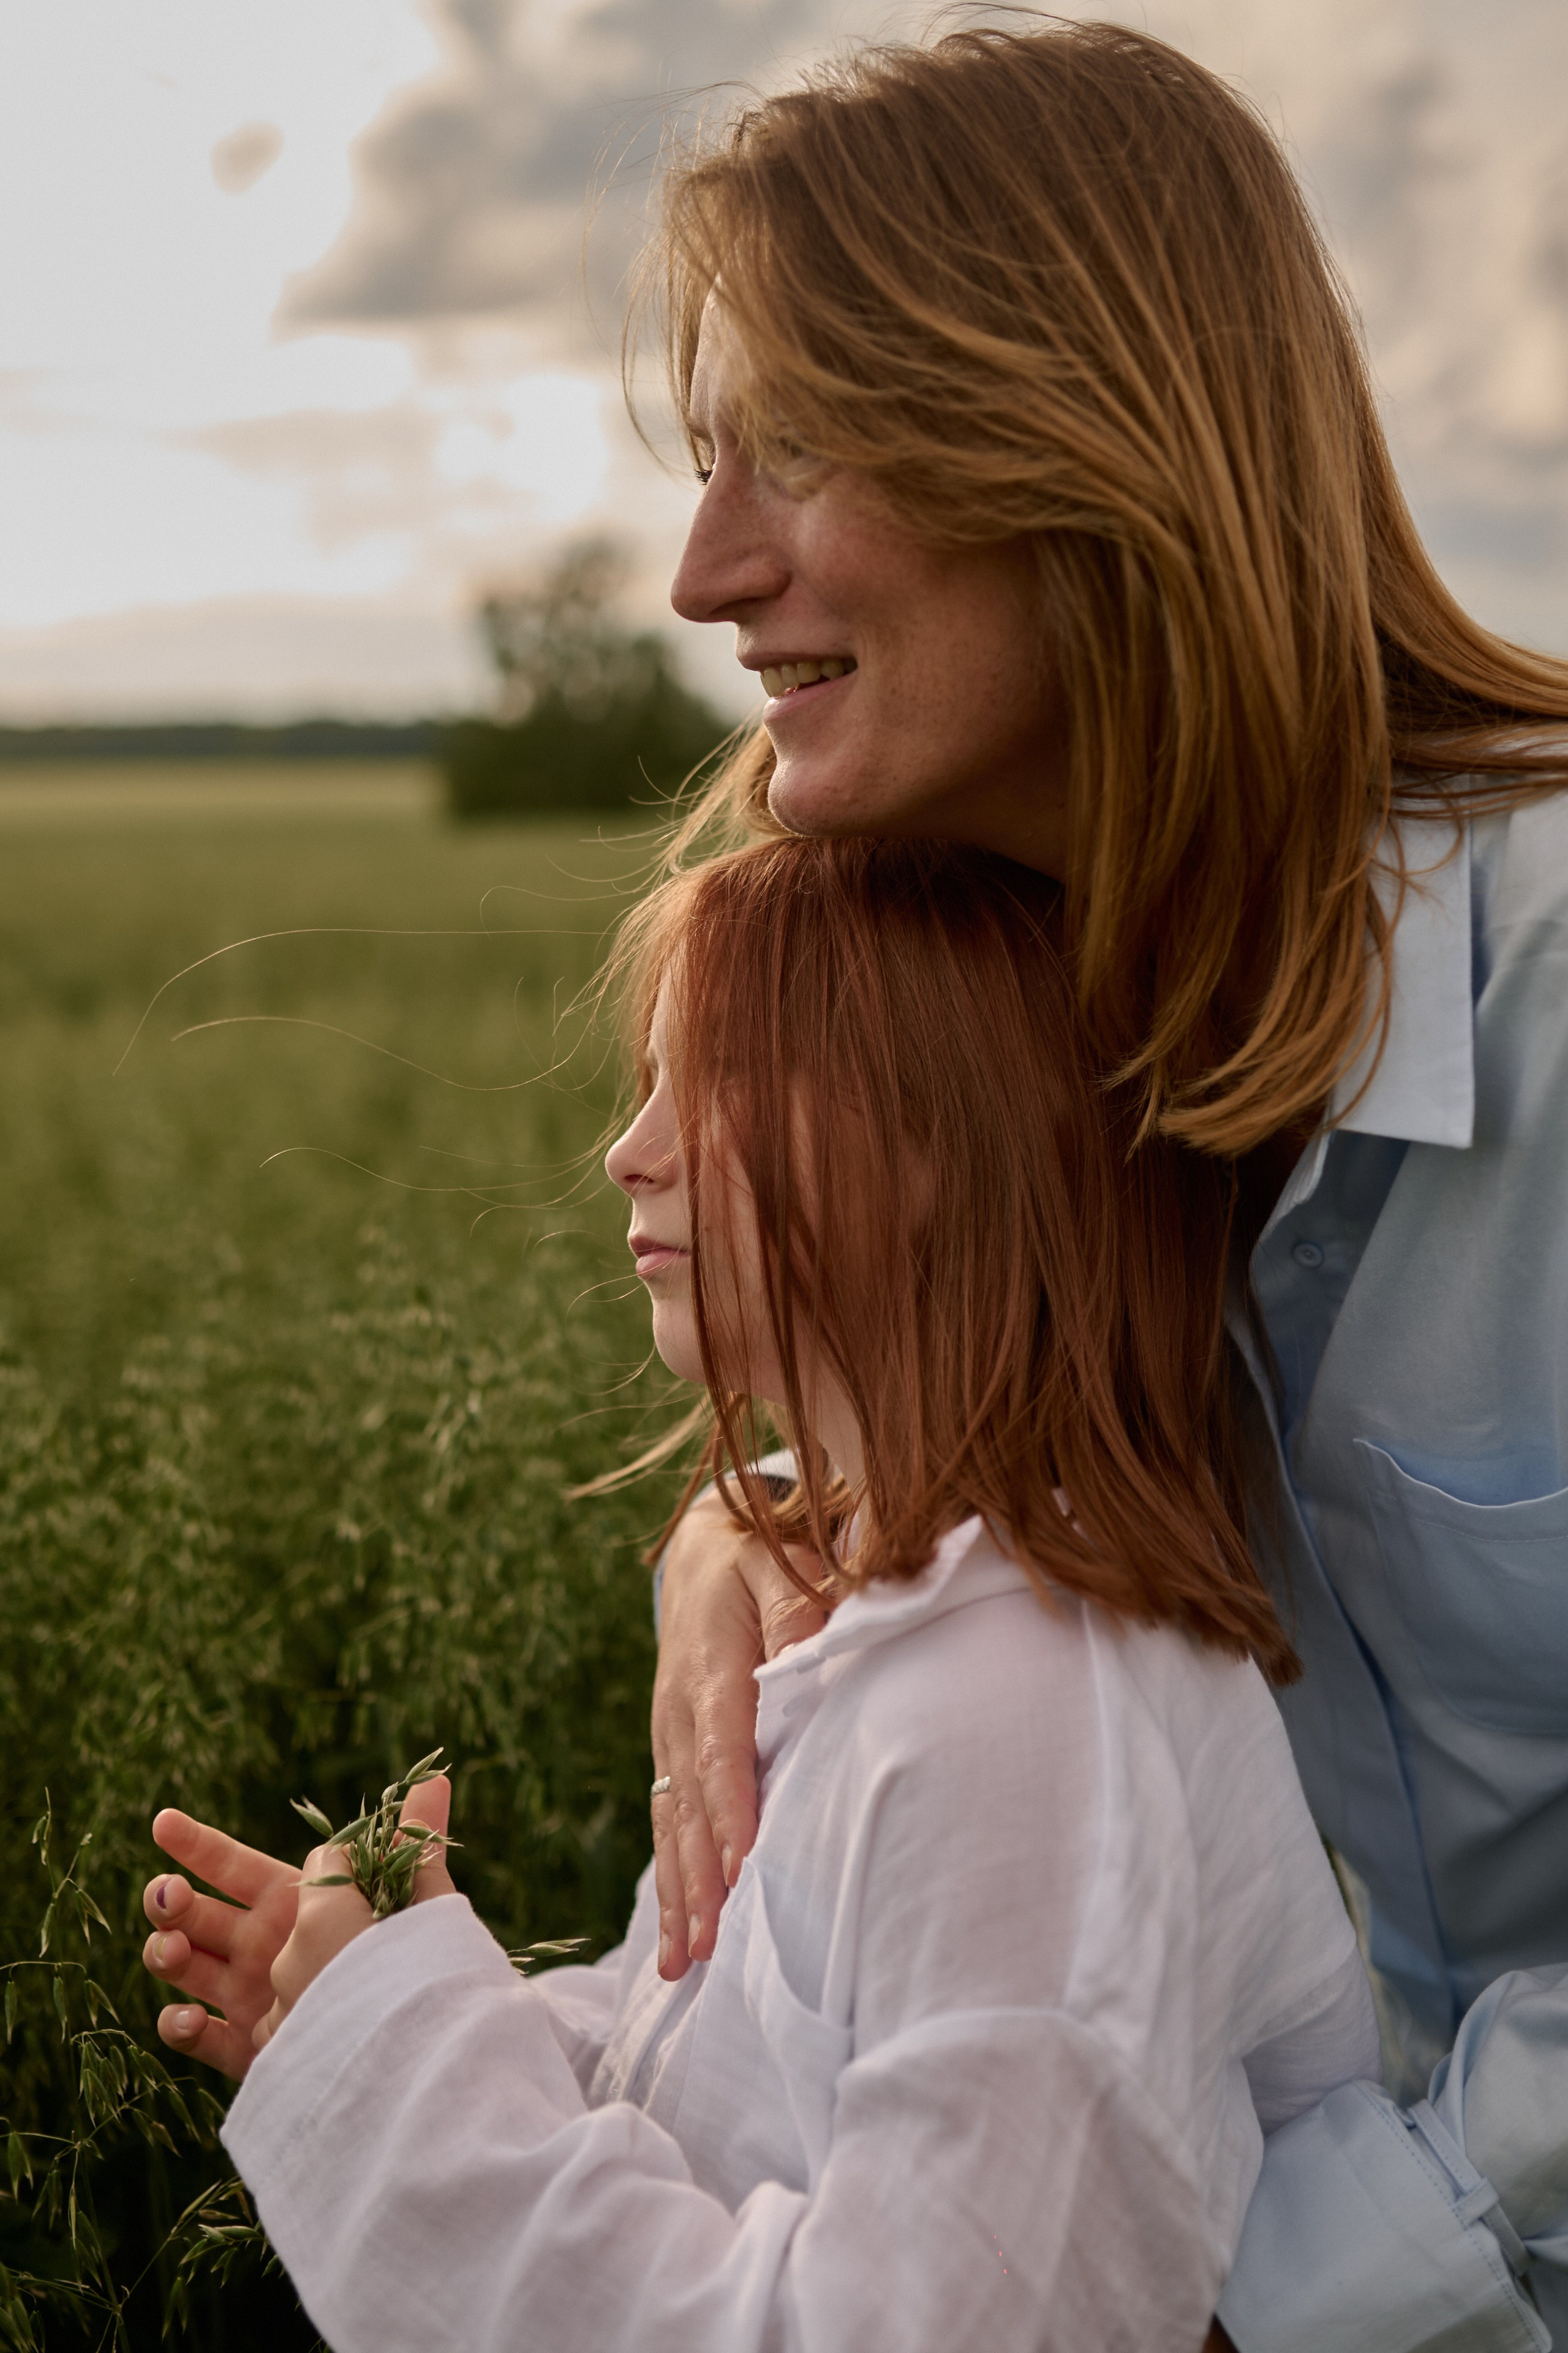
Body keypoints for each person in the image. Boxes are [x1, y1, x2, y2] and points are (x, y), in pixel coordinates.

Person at [635, 20, 1568, 2352]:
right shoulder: (1021, 1003)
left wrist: (1283, 2291)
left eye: (804, 448)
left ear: (1085, 441)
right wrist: (746, 1520)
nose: (699, 571)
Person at [142, 836, 1378, 2351]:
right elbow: (712, 2070)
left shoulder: (1023, 1724)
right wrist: (372, 2009)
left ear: (941, 1143)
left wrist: (414, 2072)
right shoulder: (859, 1608)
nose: (628, 1150)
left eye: (711, 1082)